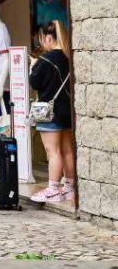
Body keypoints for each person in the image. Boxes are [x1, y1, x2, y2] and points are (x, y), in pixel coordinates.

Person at [29, 21, 75, 203]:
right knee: (67, 151)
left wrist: (33, 66)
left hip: (50, 113)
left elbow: (35, 82)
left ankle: (53, 189)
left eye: (42, 39)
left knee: (52, 151)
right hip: (67, 111)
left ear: (49, 38)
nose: (42, 43)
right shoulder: (68, 57)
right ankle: (69, 188)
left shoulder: (45, 60)